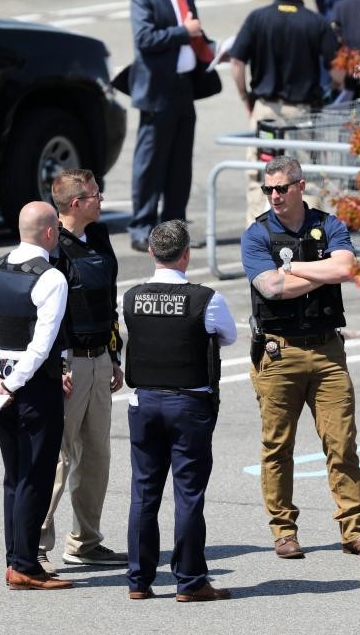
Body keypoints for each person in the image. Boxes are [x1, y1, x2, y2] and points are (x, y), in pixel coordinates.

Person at [241, 155, 360, 559]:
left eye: (281, 188)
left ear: (300, 186)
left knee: (342, 444)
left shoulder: (329, 224)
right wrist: (320, 271)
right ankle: (284, 532)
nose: (274, 196)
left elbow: (346, 268)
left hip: (326, 350)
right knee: (277, 447)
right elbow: (272, 288)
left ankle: (354, 531)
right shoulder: (256, 234)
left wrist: (293, 269)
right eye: (268, 189)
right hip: (278, 352)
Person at [122, 220, 238, 602]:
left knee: (144, 493)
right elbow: (229, 336)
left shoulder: (131, 296)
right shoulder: (206, 298)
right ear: (186, 254)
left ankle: (138, 581)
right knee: (188, 494)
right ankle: (189, 582)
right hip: (189, 403)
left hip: (144, 402)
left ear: (151, 252)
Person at [0, 201, 73, 590]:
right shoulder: (51, 278)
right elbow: (41, 346)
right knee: (36, 475)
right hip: (33, 387)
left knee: (14, 476)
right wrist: (13, 383)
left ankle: (15, 559)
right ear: (49, 232)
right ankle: (26, 565)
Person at [36, 170, 127, 575]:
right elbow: (45, 314)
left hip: (100, 358)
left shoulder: (100, 236)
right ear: (76, 204)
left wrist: (115, 355)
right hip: (69, 363)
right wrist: (57, 364)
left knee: (96, 455)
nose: (101, 200)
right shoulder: (53, 246)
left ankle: (85, 543)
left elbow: (109, 301)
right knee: (59, 458)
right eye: (94, 195)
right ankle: (34, 545)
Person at [230, 0, 341, 224]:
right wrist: (332, 91)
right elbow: (338, 71)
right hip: (301, 115)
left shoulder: (258, 18)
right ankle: (307, 239)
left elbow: (236, 63)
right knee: (305, 178)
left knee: (259, 176)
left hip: (265, 110)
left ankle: (257, 238)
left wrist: (246, 98)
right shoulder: (316, 22)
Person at [126, 0, 213, 252]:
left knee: (180, 163)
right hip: (157, 90)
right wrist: (182, 32)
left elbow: (193, 30)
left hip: (183, 87)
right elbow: (144, 39)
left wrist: (209, 46)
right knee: (150, 163)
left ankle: (174, 229)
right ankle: (142, 228)